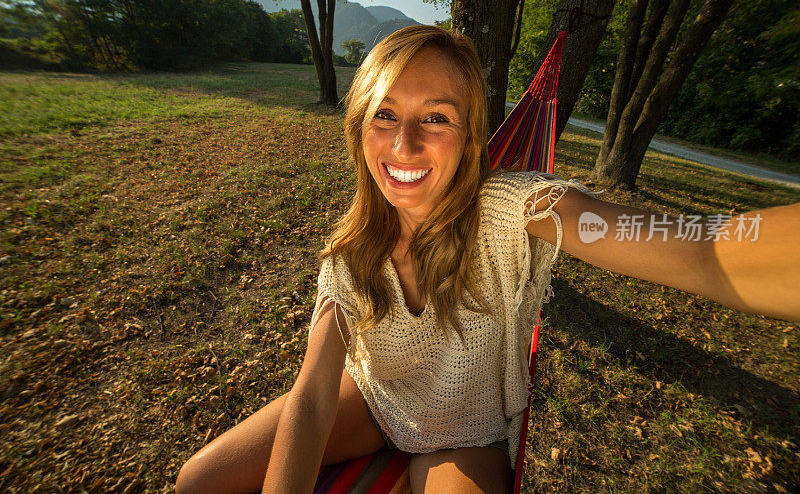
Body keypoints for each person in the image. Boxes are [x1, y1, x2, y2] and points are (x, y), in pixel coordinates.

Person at [175, 26, 799, 494]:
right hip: (374, 403)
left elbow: (696, 249)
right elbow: (312, 398)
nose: (404, 144)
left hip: (463, 431)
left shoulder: (518, 211)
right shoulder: (350, 252)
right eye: (385, 115)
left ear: (472, 137)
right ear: (360, 127)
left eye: (436, 118)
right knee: (197, 482)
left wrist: (739, 249)